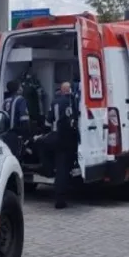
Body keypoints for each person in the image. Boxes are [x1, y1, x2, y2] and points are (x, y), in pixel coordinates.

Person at [44, 81, 79, 209]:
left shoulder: (55, 102)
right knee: (65, 169)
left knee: (60, 168)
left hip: (57, 138)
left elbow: (48, 122)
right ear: (69, 90)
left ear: (61, 90)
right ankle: (61, 197)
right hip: (69, 139)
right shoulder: (73, 101)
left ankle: (50, 172)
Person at [0, 80, 29, 158]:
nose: (22, 88)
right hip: (15, 133)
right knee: (16, 156)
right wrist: (26, 134)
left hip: (5, 134)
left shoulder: (5, 101)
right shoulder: (20, 99)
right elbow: (24, 118)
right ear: (18, 89)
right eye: (20, 86)